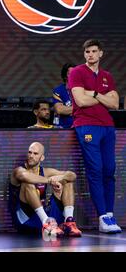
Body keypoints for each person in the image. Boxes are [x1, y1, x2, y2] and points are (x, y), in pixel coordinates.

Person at [68, 39, 121, 233]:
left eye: (94, 51)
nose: (90, 54)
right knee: (96, 169)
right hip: (86, 125)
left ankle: (109, 214)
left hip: (107, 126)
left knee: (109, 170)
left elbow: (115, 104)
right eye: (87, 52)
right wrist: (103, 97)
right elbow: (80, 100)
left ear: (101, 53)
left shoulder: (107, 76)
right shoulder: (77, 72)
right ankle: (102, 217)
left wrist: (96, 93)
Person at [10, 142, 82, 238]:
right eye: (30, 152)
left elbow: (72, 175)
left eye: (35, 154)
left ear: (42, 158)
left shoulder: (46, 171)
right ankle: (45, 222)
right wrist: (49, 180)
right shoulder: (19, 171)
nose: (31, 156)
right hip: (26, 220)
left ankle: (69, 222)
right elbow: (24, 176)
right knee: (28, 183)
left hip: (46, 216)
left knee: (67, 181)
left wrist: (59, 179)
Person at [52, 63, 76, 128]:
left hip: (79, 128)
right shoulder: (58, 90)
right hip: (63, 129)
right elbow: (59, 109)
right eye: (70, 74)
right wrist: (80, 109)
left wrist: (68, 110)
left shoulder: (82, 90)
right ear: (65, 76)